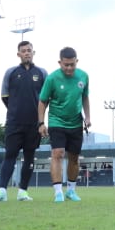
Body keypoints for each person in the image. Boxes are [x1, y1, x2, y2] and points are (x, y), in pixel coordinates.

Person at [0, 40, 47, 203]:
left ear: (33, 52)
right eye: (23, 51)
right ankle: (2, 191)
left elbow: (46, 98)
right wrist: (16, 110)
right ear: (18, 54)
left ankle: (23, 191)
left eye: (29, 50)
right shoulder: (11, 72)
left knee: (29, 157)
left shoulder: (42, 73)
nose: (27, 53)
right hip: (14, 123)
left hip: (34, 124)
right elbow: (4, 96)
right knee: (10, 155)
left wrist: (40, 119)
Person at [37, 47, 91, 203]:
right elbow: (42, 101)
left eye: (72, 64)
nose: (69, 68)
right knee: (58, 153)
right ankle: (58, 192)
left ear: (77, 62)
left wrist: (87, 117)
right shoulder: (52, 78)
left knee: (74, 157)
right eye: (66, 65)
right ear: (60, 62)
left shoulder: (84, 76)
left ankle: (71, 191)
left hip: (76, 122)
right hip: (56, 120)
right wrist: (41, 123)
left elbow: (85, 98)